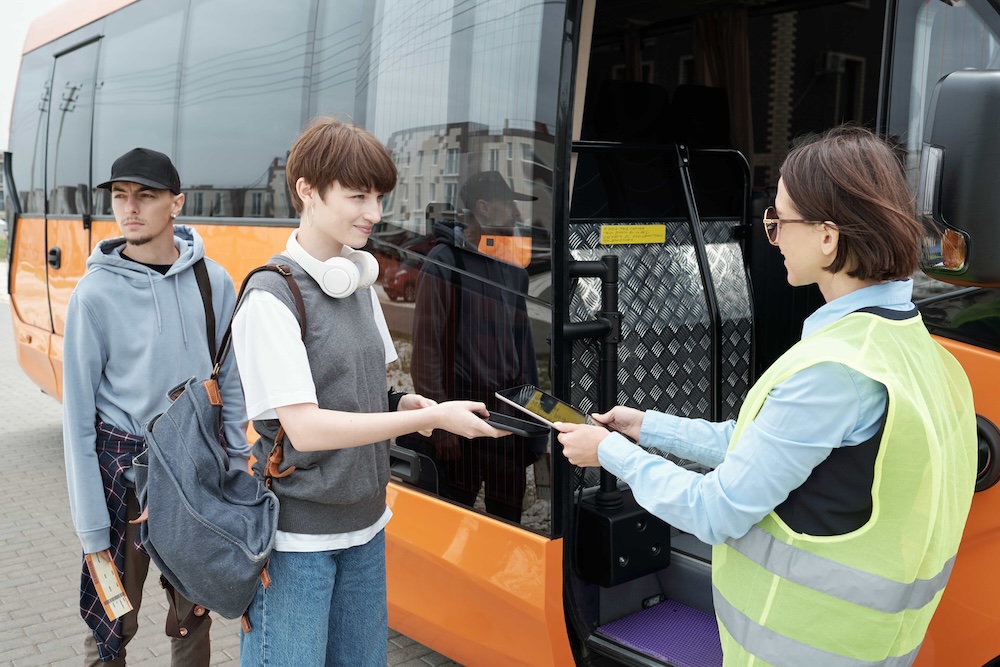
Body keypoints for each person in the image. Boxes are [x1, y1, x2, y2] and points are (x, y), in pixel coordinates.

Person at [555, 126, 978, 665]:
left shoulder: (835, 372)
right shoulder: (919, 352)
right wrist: (647, 427)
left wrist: (609, 453)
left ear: (828, 237)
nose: (771, 236)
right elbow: (763, 445)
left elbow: (716, 512)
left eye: (778, 221)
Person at [230, 117, 506, 667]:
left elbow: (366, 395)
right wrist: (416, 422)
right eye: (358, 196)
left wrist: (408, 406)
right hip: (296, 544)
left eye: (379, 196)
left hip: (366, 526)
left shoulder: (356, 283)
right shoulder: (271, 296)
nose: (375, 213)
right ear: (307, 190)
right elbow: (305, 428)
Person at [63, 147, 249, 665]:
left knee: (193, 620)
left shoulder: (214, 282)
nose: (130, 208)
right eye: (121, 197)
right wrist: (90, 527)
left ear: (176, 204)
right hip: (121, 481)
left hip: (196, 479)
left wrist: (234, 474)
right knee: (112, 628)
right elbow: (77, 423)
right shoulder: (94, 295)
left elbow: (230, 389)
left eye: (145, 196)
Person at [409, 171, 544, 523]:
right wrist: (440, 427)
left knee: (509, 523)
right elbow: (426, 353)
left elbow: (524, 351)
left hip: (508, 418)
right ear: (483, 208)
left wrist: (533, 423)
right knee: (452, 521)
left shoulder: (514, 268)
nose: (517, 215)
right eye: (509, 205)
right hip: (459, 415)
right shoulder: (445, 261)